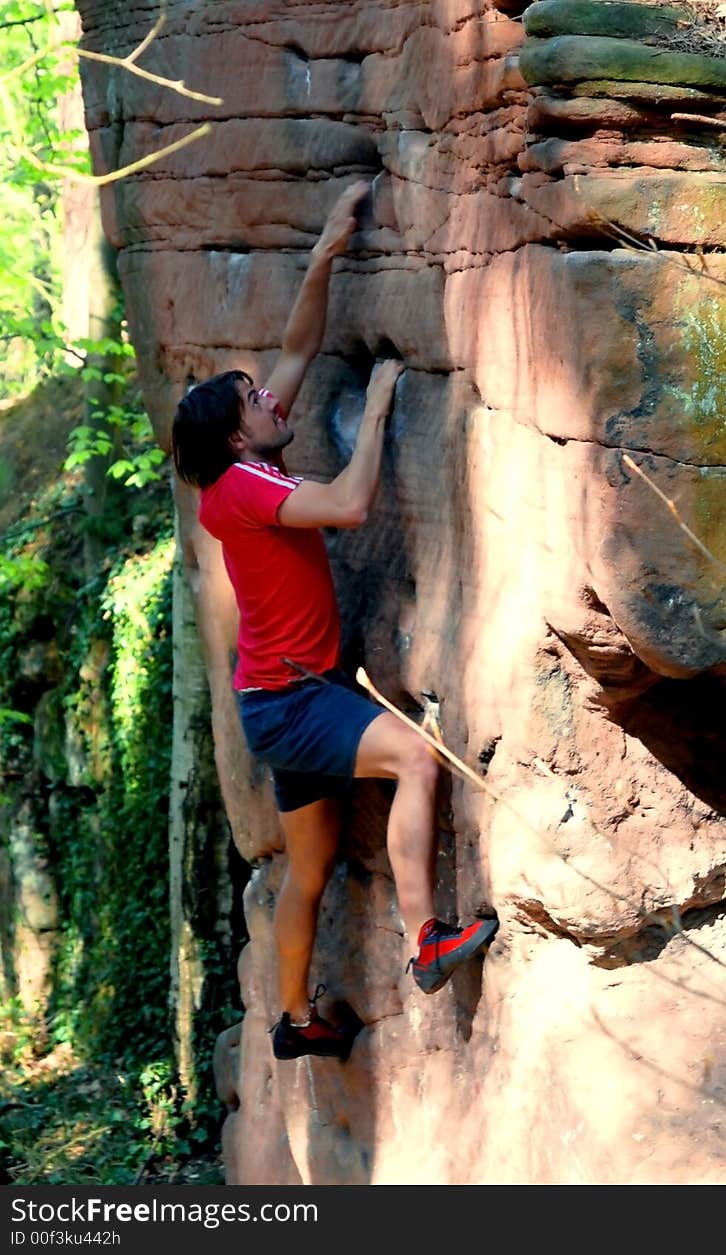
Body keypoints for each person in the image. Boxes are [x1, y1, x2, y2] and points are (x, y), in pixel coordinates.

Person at [171, 180, 498, 1062]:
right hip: (294, 700)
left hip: (276, 704)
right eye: (256, 400)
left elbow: (296, 347)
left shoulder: (237, 470)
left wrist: (325, 247)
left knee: (308, 868)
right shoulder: (248, 489)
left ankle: (293, 1019)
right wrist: (382, 404)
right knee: (415, 759)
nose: (275, 398)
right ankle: (428, 937)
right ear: (241, 437)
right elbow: (351, 504)